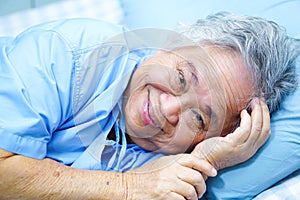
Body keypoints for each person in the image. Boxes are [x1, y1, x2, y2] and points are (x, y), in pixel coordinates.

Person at [0, 12, 299, 199]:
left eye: (198, 119)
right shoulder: (69, 52)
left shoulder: (170, 158)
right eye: (182, 77)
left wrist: (208, 161)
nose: (168, 109)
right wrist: (131, 189)